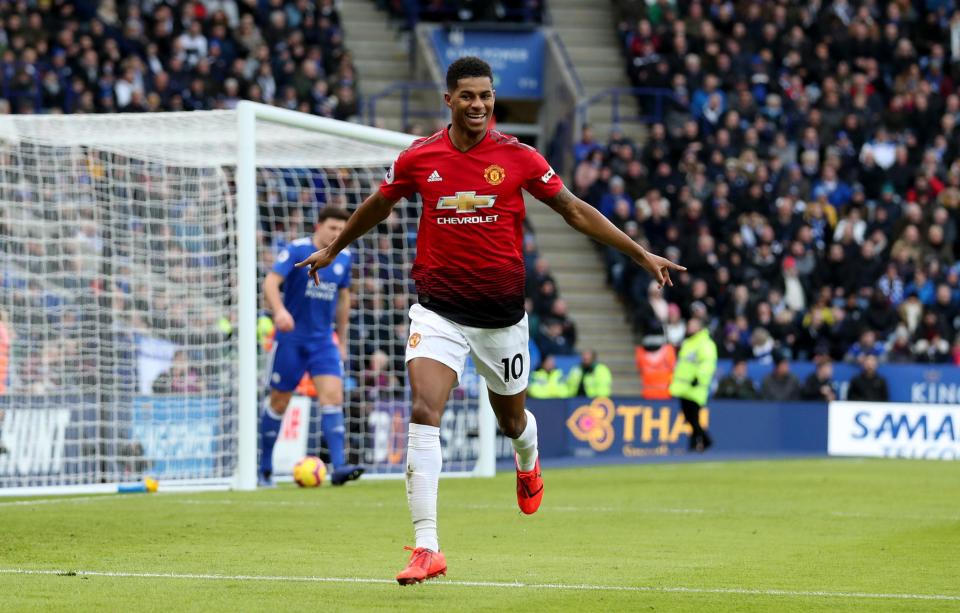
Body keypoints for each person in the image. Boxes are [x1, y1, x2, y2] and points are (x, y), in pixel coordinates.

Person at [296, 56, 684, 585]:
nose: (479, 104)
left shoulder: (518, 157)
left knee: (511, 422)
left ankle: (528, 455)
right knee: (424, 408)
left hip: (502, 321)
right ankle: (427, 546)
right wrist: (334, 249)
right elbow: (377, 206)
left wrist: (641, 255)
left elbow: (573, 209)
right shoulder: (419, 157)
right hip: (437, 312)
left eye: (486, 95)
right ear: (449, 100)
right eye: (469, 96)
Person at [259, 207, 364, 488]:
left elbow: (343, 301)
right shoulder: (296, 250)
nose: (337, 233)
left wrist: (340, 339)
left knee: (333, 397)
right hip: (291, 340)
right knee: (279, 403)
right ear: (318, 226)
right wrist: (279, 311)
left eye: (342, 229)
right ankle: (265, 468)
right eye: (332, 228)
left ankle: (339, 468)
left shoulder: (344, 257)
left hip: (322, 342)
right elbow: (271, 282)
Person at [668, 316, 717, 452]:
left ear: (699, 327)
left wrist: (698, 378)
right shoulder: (689, 342)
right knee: (689, 417)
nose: (689, 327)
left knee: (692, 417)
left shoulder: (705, 343)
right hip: (684, 386)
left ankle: (704, 440)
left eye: (692, 324)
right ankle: (696, 443)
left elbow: (707, 364)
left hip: (695, 387)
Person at [634, 327, 676, 400]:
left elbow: (640, 369)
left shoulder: (639, 352)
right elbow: (674, 369)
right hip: (662, 395)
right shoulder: (669, 350)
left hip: (653, 395)